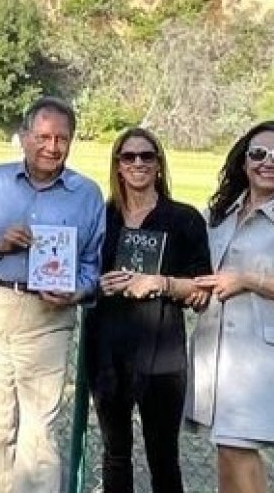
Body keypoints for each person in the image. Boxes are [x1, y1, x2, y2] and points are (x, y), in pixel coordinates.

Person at [0, 96, 106, 493]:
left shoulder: (87, 195)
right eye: (43, 136)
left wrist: (77, 290)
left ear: (71, 142)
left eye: (61, 138)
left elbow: (94, 264)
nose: (51, 147)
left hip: (49, 318)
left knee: (40, 431)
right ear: (24, 137)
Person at [87, 127, 211, 493]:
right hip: (107, 351)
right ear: (117, 165)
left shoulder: (184, 219)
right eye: (129, 156)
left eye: (147, 156)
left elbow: (203, 289)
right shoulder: (101, 218)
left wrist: (162, 283)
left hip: (162, 355)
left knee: (163, 457)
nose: (138, 163)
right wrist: (98, 283)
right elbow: (75, 272)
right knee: (115, 454)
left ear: (159, 164)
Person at [186, 120, 274, 493]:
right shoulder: (220, 215)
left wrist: (247, 280)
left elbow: (237, 278)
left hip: (258, 355)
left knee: (239, 449)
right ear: (244, 161)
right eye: (258, 153)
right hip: (216, 351)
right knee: (226, 448)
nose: (267, 162)